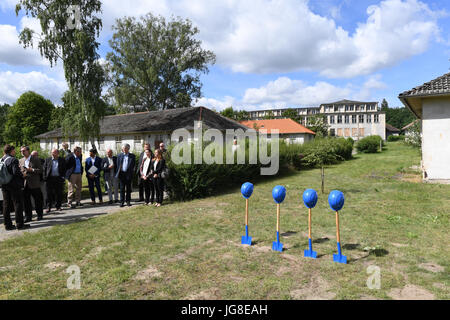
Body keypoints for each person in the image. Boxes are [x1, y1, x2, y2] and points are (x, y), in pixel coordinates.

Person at [1, 145, 29, 230]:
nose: (15, 152)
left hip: (4, 184)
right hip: (14, 185)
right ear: (11, 151)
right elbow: (15, 173)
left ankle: (7, 225)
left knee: (6, 204)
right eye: (14, 150)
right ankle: (19, 224)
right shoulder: (13, 160)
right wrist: (23, 174)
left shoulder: (2, 159)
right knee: (17, 204)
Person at [19, 146, 44, 222]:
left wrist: (32, 169)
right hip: (25, 184)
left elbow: (40, 170)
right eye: (21, 151)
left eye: (24, 151)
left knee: (37, 200)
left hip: (34, 183)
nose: (22, 152)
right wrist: (22, 174)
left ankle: (39, 215)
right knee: (26, 201)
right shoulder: (20, 160)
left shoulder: (35, 159)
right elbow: (20, 170)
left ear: (28, 151)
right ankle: (28, 216)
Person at [43, 149, 66, 213]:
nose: (52, 154)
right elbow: (44, 169)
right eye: (52, 152)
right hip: (49, 179)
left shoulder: (61, 160)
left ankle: (58, 206)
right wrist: (44, 177)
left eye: (54, 152)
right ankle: (48, 207)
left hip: (58, 178)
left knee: (58, 193)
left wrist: (63, 177)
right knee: (48, 194)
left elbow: (64, 169)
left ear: (57, 153)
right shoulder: (48, 159)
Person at [116, 143, 135, 207]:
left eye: (125, 148)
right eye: (123, 148)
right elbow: (117, 165)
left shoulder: (132, 156)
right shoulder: (119, 155)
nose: (124, 149)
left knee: (128, 189)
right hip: (121, 174)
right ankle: (122, 202)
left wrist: (132, 173)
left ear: (128, 149)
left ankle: (128, 201)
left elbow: (133, 166)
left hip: (128, 174)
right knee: (122, 189)